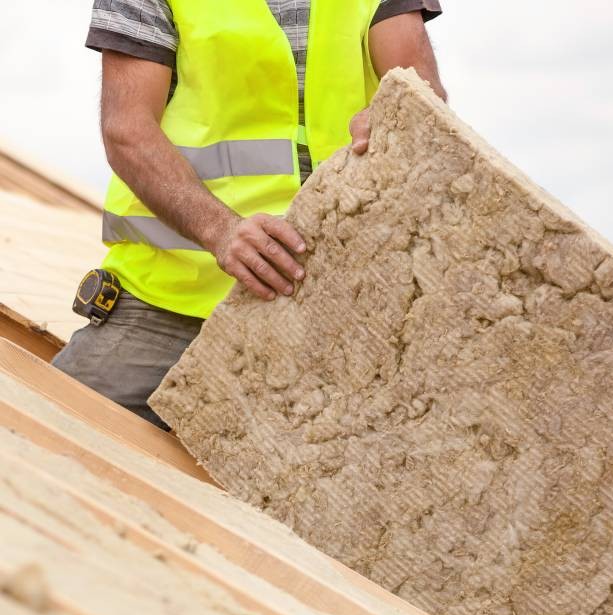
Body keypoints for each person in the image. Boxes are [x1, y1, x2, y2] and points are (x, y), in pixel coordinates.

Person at [54, 0, 446, 428]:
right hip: (168, 306)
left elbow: (418, 89)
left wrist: (397, 112)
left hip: (340, 308)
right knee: (49, 443)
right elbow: (127, 130)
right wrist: (221, 231)